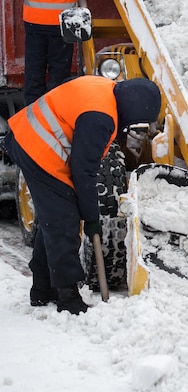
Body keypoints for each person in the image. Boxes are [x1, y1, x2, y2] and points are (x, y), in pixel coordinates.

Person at [0, 76, 161, 314]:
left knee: (54, 219)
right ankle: (67, 297)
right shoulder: (100, 118)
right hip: (37, 148)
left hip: (28, 136)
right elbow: (84, 171)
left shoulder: (106, 89)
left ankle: (43, 289)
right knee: (64, 222)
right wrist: (91, 219)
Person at [22, 0, 77, 105]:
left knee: (34, 70)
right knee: (59, 73)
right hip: (62, 19)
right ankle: (55, 111)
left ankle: (32, 112)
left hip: (34, 18)